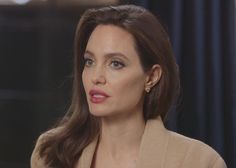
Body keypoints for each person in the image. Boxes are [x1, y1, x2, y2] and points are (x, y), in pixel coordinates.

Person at [31, 4, 227, 168]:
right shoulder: (50, 153)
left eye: (116, 63)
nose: (96, 77)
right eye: (89, 61)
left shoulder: (198, 161)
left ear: (151, 77)